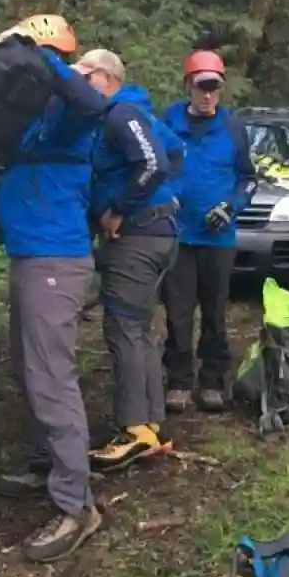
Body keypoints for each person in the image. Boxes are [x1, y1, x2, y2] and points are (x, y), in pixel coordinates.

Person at [0, 15, 110, 563]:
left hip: (56, 259)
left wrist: (42, 54)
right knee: (27, 369)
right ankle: (48, 464)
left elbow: (93, 103)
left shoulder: (74, 114)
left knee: (51, 378)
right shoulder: (33, 116)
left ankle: (78, 505)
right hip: (30, 255)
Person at [76, 49, 183, 472]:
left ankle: (134, 430)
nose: (79, 83)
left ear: (105, 77)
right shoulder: (136, 112)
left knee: (122, 329)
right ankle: (152, 425)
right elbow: (175, 154)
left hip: (138, 237)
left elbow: (155, 163)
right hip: (155, 233)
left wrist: (120, 206)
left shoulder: (121, 114)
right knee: (138, 330)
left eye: (85, 75)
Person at [161, 49, 257, 412]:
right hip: (179, 235)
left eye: (213, 88)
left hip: (218, 237)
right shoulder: (168, 123)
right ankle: (179, 379)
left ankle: (213, 379)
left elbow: (248, 180)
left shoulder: (233, 128)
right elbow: (155, 168)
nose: (207, 95)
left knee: (215, 311)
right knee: (177, 311)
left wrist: (230, 207)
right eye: (201, 87)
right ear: (188, 86)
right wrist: (166, 200)